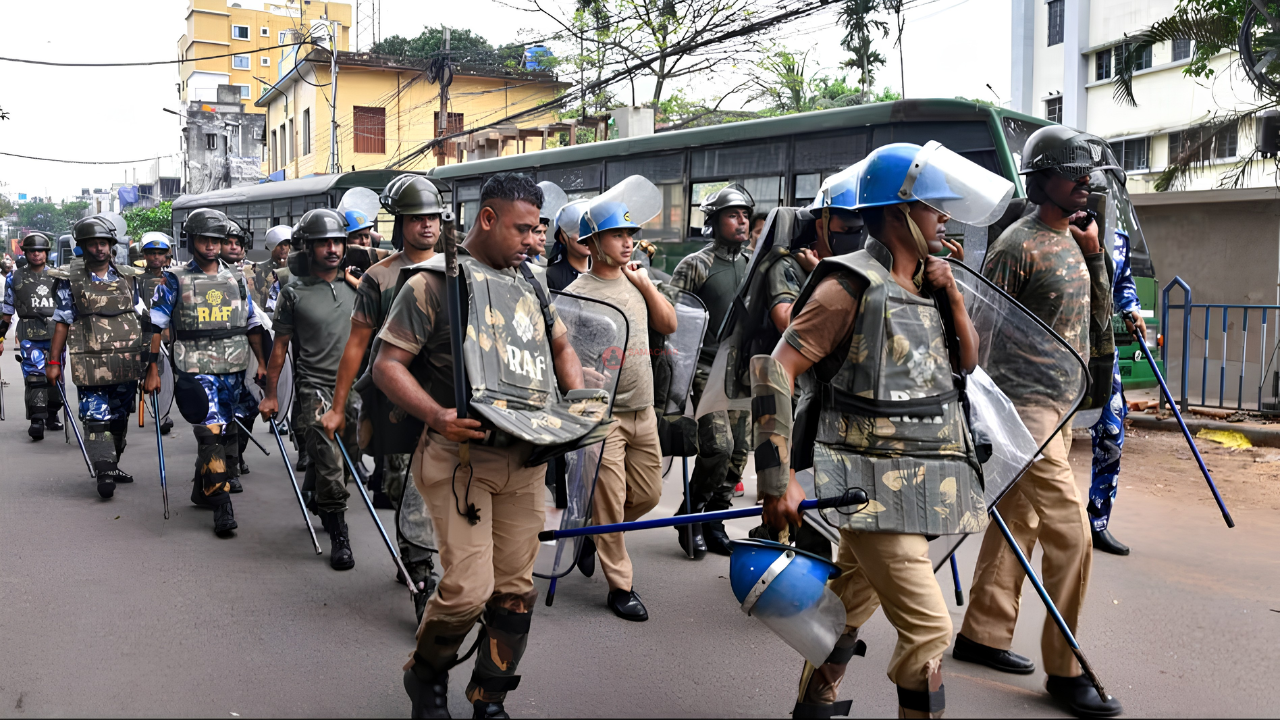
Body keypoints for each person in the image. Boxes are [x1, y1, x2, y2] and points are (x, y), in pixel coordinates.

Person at [755, 142, 998, 719]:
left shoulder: (929, 286)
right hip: (868, 485)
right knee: (930, 631)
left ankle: (814, 703)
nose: (944, 218)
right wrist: (777, 478)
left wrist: (952, 294)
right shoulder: (848, 285)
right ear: (898, 212)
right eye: (933, 207)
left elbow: (966, 363)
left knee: (846, 605)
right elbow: (776, 369)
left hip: (924, 478)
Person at [374, 173, 602, 719]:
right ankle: (425, 674)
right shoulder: (433, 283)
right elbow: (386, 366)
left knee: (515, 592)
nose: (533, 241)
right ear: (488, 219)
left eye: (538, 229)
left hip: (526, 457)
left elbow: (561, 347)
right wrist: (436, 415)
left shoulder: (531, 283)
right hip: (461, 459)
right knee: (467, 591)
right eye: (522, 229)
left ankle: (490, 697)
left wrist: (576, 406)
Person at [955, 126, 1123, 718]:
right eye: (1072, 173)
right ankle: (1066, 671)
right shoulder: (1016, 245)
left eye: (1087, 174)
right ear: (1042, 179)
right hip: (1023, 411)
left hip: (1061, 406)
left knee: (1020, 521)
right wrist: (983, 414)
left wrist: (1096, 255)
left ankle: (982, 633)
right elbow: (980, 328)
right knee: (1072, 533)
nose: (1085, 183)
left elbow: (1099, 320)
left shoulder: (1076, 241)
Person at [323, 174, 444, 612]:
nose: (427, 225)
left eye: (433, 217)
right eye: (416, 218)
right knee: (407, 486)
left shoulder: (459, 268)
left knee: (440, 489)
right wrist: (339, 407)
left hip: (450, 398)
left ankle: (419, 561)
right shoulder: (380, 277)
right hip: (397, 402)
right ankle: (420, 572)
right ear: (401, 223)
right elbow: (357, 346)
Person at [565, 185, 677, 621]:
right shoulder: (577, 293)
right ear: (592, 243)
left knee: (648, 494)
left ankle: (594, 530)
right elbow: (563, 353)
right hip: (601, 414)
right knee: (610, 499)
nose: (628, 242)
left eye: (630, 234)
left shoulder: (637, 280)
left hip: (642, 409)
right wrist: (580, 372)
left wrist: (645, 284)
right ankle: (621, 586)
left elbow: (668, 323)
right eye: (617, 234)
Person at [143, 208, 268, 537]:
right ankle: (221, 502)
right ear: (192, 241)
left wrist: (263, 364)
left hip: (234, 366)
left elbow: (252, 323)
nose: (211, 246)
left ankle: (202, 488)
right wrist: (153, 369)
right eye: (204, 239)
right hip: (195, 366)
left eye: (217, 239)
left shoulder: (236, 278)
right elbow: (155, 326)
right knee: (210, 431)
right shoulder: (175, 279)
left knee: (224, 431)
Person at [258, 209, 361, 568]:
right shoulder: (292, 293)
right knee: (331, 462)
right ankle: (339, 534)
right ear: (308, 247)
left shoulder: (358, 288)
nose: (332, 249)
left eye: (337, 242)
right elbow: (280, 350)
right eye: (323, 243)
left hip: (354, 388)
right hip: (314, 388)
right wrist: (272, 395)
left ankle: (315, 491)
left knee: (349, 456)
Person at [670, 183, 754, 557]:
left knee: (740, 453)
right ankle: (690, 513)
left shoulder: (754, 265)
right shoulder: (695, 265)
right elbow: (672, 319)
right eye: (733, 215)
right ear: (714, 221)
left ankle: (714, 519)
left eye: (745, 215)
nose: (742, 221)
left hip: (744, 371)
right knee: (719, 447)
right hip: (705, 368)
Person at [47, 217, 148, 499]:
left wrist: (152, 361)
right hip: (90, 362)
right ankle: (104, 471)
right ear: (82, 246)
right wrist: (53, 362)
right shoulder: (70, 280)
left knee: (119, 417)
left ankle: (111, 464)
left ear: (111, 245)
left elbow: (144, 317)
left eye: (104, 243)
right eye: (93, 244)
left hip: (126, 362)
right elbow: (62, 322)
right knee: (95, 416)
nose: (100, 249)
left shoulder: (129, 278)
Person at [1087, 222, 1145, 556]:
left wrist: (1131, 308)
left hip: (1102, 351)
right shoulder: (1058, 223)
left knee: (1111, 437)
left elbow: (1122, 282)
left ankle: (1096, 522)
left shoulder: (1118, 236)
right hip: (1057, 350)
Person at [1, 232, 64, 440]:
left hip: (56, 334)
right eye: (31, 251)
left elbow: (68, 308)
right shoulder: (14, 277)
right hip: (29, 335)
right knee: (35, 377)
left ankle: (52, 414)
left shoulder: (59, 276)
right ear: (26, 253)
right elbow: (7, 311)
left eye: (40, 250)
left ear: (46, 253)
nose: (36, 254)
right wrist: (0, 337)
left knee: (54, 377)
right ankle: (37, 419)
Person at [220, 219, 267, 487]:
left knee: (248, 409)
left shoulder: (245, 275)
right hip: (214, 358)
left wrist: (261, 361)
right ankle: (227, 470)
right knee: (223, 414)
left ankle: (236, 456)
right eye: (228, 242)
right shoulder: (202, 276)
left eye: (237, 243)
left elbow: (252, 319)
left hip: (244, 354)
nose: (234, 247)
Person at [137, 233, 175, 435]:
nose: (156, 257)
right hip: (145, 333)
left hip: (169, 335)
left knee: (166, 374)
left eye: (160, 253)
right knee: (153, 371)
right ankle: (160, 413)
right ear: (144, 255)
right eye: (152, 253)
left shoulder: (172, 279)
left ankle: (163, 411)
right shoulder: (136, 280)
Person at [545, 200, 591, 291]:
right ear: (563, 238)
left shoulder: (603, 268)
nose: (586, 236)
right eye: (579, 231)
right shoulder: (553, 276)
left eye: (590, 230)